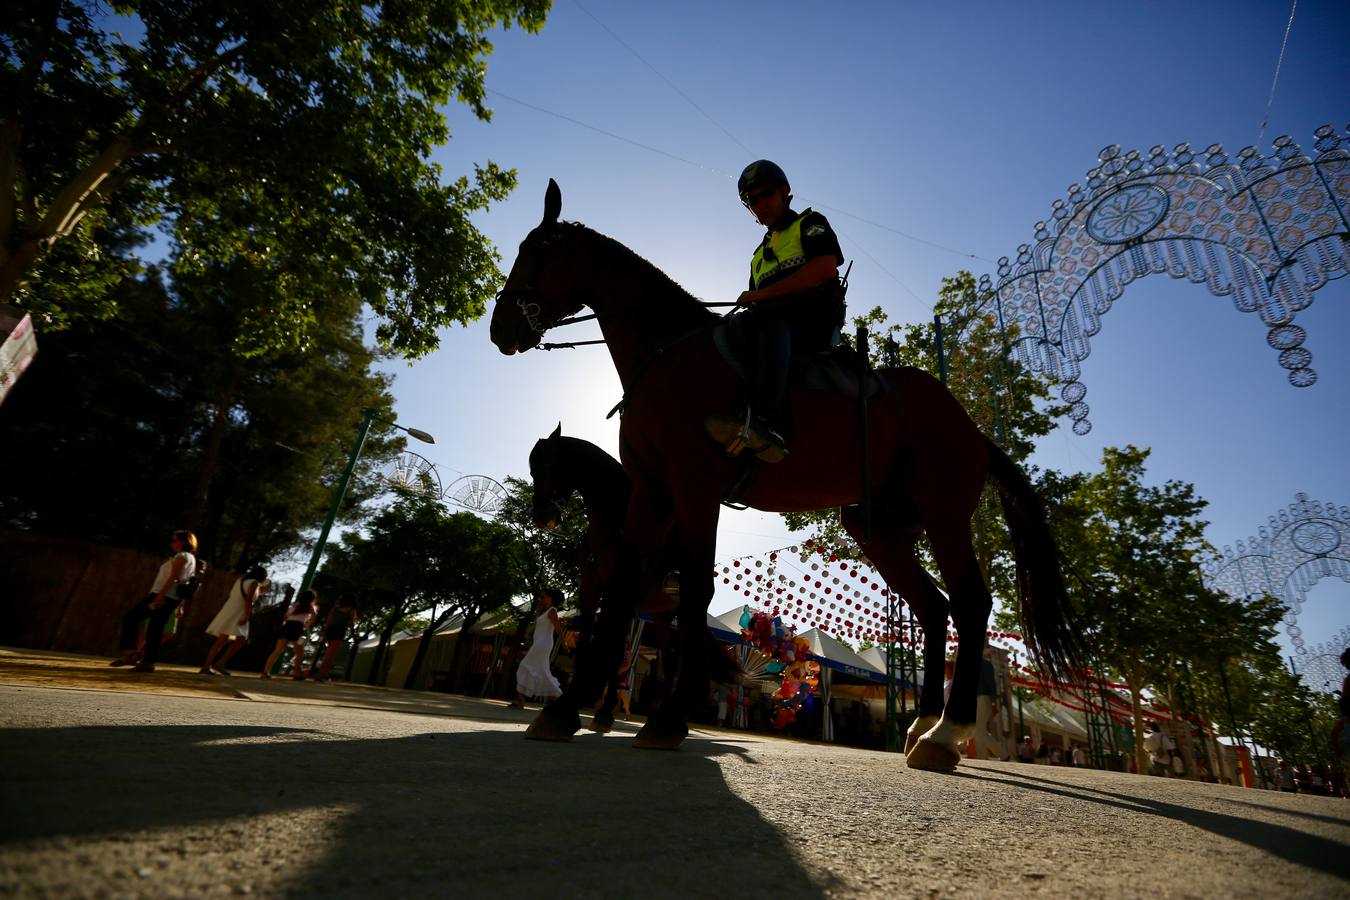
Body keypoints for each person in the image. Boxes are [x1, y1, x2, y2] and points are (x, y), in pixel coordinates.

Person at [704, 160, 845, 463]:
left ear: (785, 191)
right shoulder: (756, 257)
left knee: (768, 317)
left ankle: (769, 423)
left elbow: (824, 267)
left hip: (813, 321)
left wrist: (761, 295)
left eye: (765, 194)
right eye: (751, 201)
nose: (759, 204)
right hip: (769, 324)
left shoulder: (809, 223)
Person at [110, 530, 199, 672]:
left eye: (174, 540)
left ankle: (130, 653)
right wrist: (180, 603)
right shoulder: (190, 558)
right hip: (171, 597)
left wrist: (159, 597)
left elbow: (173, 578)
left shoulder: (182, 556)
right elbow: (185, 582)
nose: (171, 543)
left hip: (162, 595)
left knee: (131, 618)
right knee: (154, 629)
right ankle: (147, 662)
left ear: (183, 541)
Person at [199, 566, 266, 675]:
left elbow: (243, 595)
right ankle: (219, 663)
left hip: (230, 608)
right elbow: (248, 600)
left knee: (222, 639)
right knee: (240, 639)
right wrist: (247, 616)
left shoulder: (241, 580)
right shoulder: (254, 583)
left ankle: (208, 665)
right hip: (239, 611)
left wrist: (260, 591)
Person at [510, 589, 564, 708]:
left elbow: (558, 628)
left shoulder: (552, 611)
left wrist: (563, 644)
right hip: (538, 643)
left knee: (525, 665)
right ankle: (556, 698)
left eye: (543, 596)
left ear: (550, 598)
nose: (541, 599)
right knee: (540, 670)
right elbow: (537, 623)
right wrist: (538, 609)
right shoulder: (544, 611)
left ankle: (520, 698)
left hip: (543, 644)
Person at [262, 588, 319, 680]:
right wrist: (306, 625)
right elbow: (313, 618)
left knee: (277, 650)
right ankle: (297, 674)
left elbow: (286, 615)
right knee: (299, 652)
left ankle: (265, 672)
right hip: (297, 628)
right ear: (312, 599)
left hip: (287, 626)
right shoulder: (310, 607)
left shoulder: (296, 605)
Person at [314, 597, 359, 681]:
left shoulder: (336, 608)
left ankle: (324, 674)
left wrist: (324, 633)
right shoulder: (351, 610)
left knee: (329, 653)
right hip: (339, 631)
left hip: (330, 630)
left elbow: (329, 620)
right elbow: (351, 624)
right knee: (330, 654)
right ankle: (320, 674)